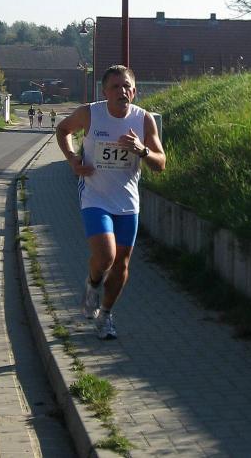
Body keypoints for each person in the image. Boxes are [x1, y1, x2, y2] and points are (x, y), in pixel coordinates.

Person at [55, 65, 166, 339]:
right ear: (105, 92)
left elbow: (160, 163)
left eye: (127, 86)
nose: (122, 91)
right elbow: (63, 129)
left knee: (121, 266)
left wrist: (142, 150)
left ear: (134, 91)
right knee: (106, 255)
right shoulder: (90, 113)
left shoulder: (143, 119)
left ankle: (105, 315)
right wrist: (72, 159)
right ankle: (93, 284)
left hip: (127, 201)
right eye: (115, 87)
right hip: (95, 196)